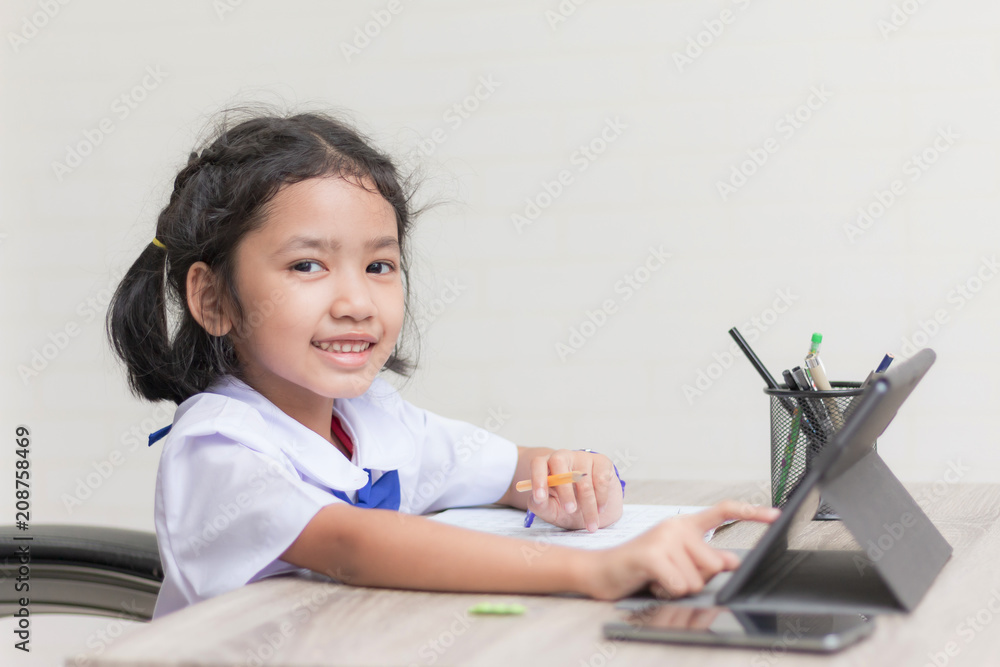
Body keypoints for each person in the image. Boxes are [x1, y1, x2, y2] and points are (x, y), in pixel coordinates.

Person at [107, 110, 778, 618]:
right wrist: (597, 570)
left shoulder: (375, 420)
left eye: (379, 265)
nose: (356, 301)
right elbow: (352, 544)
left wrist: (570, 477)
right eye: (307, 264)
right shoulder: (217, 445)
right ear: (212, 297)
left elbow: (509, 469)